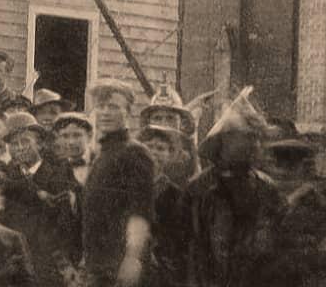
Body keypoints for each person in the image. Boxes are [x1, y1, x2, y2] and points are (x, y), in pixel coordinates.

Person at [184, 97, 282, 287]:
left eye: (256, 137)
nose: (254, 145)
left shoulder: (266, 189)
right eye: (246, 137)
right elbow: (188, 247)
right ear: (224, 141)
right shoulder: (199, 189)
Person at [81, 80, 156, 287]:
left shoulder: (135, 153)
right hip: (97, 265)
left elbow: (139, 212)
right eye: (101, 107)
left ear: (128, 112)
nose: (105, 112)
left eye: (113, 107)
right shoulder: (102, 154)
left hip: (120, 266)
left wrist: (132, 259)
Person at [4, 123, 79, 287]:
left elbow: (65, 223)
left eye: (25, 142)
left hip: (48, 261)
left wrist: (64, 261)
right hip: (15, 261)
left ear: (40, 144)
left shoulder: (59, 174)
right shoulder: (8, 176)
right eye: (14, 144)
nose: (19, 148)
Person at [265, 138, 326, 287]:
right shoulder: (267, 201)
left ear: (304, 168)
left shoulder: (323, 207)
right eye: (277, 165)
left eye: (290, 167)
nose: (282, 173)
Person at [137, 126, 189, 287]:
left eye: (160, 149)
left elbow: (179, 239)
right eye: (148, 147)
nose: (153, 152)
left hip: (160, 269)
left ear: (170, 155)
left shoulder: (175, 195)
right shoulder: (126, 189)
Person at [53, 113, 94, 186]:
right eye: (65, 136)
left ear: (89, 136)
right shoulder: (55, 168)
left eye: (77, 135)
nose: (71, 142)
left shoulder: (101, 160)